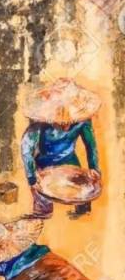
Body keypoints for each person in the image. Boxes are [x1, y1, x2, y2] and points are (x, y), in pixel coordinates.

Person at [20, 78, 101, 219]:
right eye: (60, 121)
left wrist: (94, 168)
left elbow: (91, 145)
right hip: (44, 165)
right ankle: (43, 214)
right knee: (42, 207)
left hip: (70, 162)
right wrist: (32, 177)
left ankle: (82, 213)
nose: (65, 126)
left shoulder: (83, 120)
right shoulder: (40, 122)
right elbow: (26, 148)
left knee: (85, 193)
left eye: (70, 121)